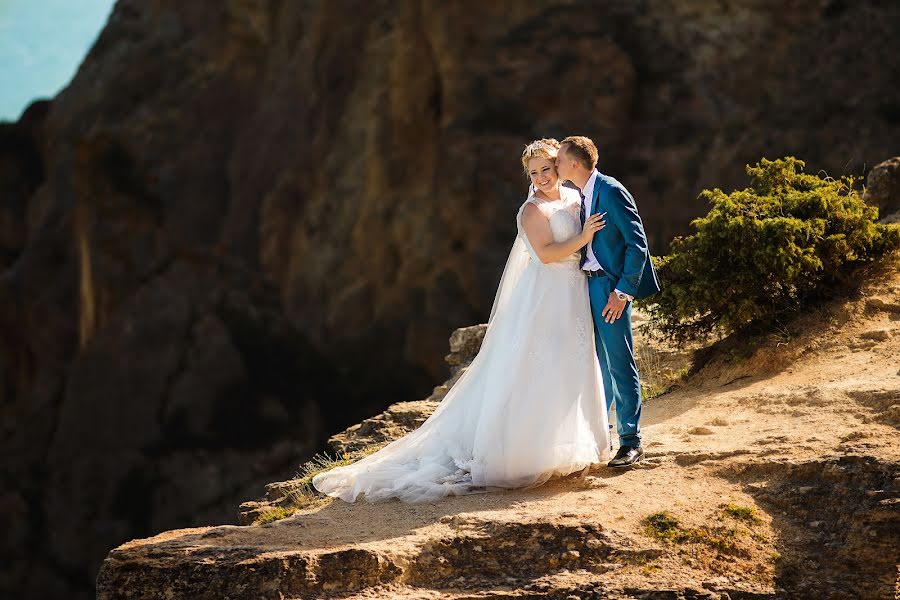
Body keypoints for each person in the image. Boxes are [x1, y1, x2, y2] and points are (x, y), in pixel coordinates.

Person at [312, 138, 611, 503]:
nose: (541, 177)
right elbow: (547, 255)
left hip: (573, 294)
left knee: (571, 361)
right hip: (545, 297)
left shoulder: (573, 198)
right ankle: (529, 454)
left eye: (547, 169)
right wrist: (583, 237)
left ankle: (575, 444)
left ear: (560, 167)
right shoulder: (530, 211)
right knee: (539, 366)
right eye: (533, 172)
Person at [555, 136, 661, 468]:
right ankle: (601, 438)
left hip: (610, 291)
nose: (555, 165)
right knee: (597, 366)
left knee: (619, 362)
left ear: (574, 164)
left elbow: (637, 244)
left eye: (559, 160)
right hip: (586, 287)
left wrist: (622, 292)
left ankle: (632, 442)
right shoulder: (579, 196)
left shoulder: (611, 191)